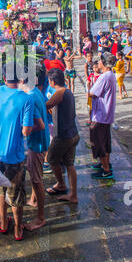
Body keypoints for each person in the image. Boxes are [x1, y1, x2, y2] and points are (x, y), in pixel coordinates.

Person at [0, 63, 34, 241]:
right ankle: (17, 230)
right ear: (21, 78)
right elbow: (25, 131)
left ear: (4, 78)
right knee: (16, 195)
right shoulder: (26, 98)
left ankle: (3, 224)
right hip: (13, 155)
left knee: (0, 189)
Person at [45, 69, 80, 203]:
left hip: (63, 136)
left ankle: (61, 184)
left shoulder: (59, 92)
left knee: (52, 159)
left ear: (52, 81)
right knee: (69, 164)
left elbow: (46, 104)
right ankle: (73, 194)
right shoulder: (68, 91)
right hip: (73, 133)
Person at [19, 77, 49, 231]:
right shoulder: (36, 91)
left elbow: (41, 125)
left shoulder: (29, 97)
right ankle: (33, 199)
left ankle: (41, 217)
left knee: (37, 180)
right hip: (40, 142)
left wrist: (23, 130)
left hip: (37, 143)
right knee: (33, 171)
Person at [88, 52, 116, 179]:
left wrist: (89, 89)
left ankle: (106, 169)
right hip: (106, 113)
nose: (98, 63)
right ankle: (105, 164)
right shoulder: (110, 75)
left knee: (99, 142)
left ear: (104, 63)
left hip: (100, 114)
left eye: (100, 61)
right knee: (105, 141)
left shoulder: (104, 77)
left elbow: (93, 93)